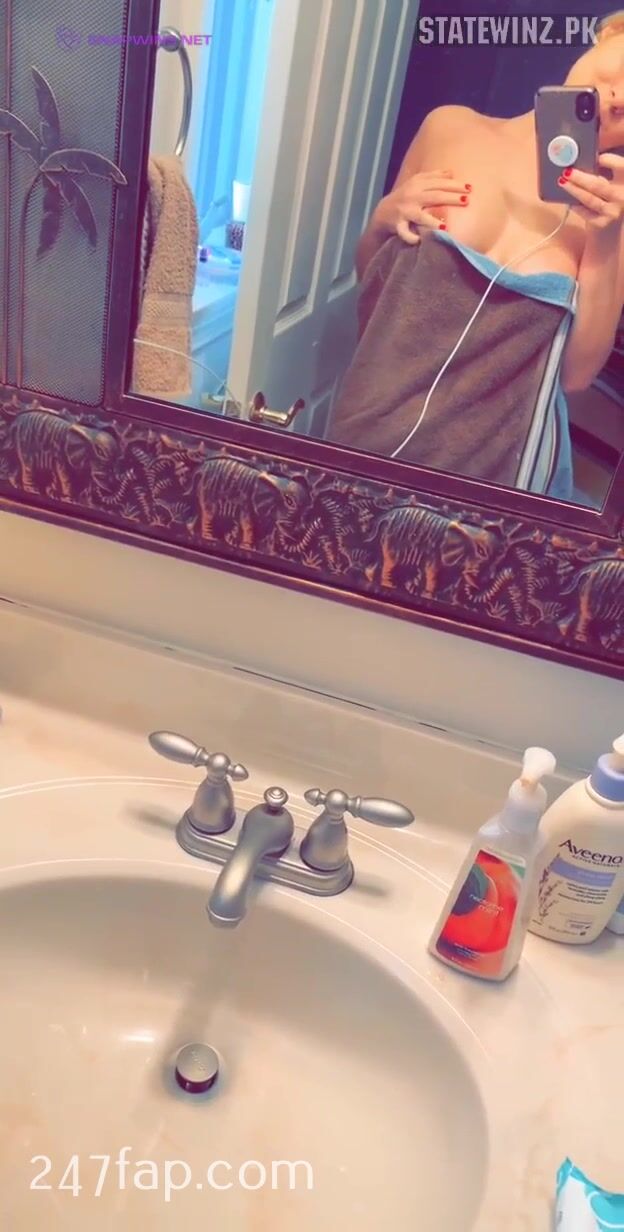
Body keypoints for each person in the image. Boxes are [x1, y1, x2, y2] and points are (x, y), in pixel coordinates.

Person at [329, 11, 624, 499]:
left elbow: (575, 375)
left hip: (501, 475)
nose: (620, 99)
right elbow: (374, 291)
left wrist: (609, 238)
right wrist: (383, 220)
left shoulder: (611, 219)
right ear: (610, 35)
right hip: (378, 426)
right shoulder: (449, 128)